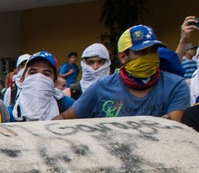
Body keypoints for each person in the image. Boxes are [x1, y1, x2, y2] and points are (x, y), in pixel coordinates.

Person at [59, 25, 190, 121]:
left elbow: (173, 128)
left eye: (153, 50)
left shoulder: (175, 86)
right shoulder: (101, 88)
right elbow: (65, 118)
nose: (149, 57)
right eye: (141, 52)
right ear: (123, 57)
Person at [14, 52, 74, 122]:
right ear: (22, 80)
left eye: (46, 74)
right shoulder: (12, 111)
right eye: (33, 72)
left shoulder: (66, 104)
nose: (38, 77)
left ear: (55, 83)